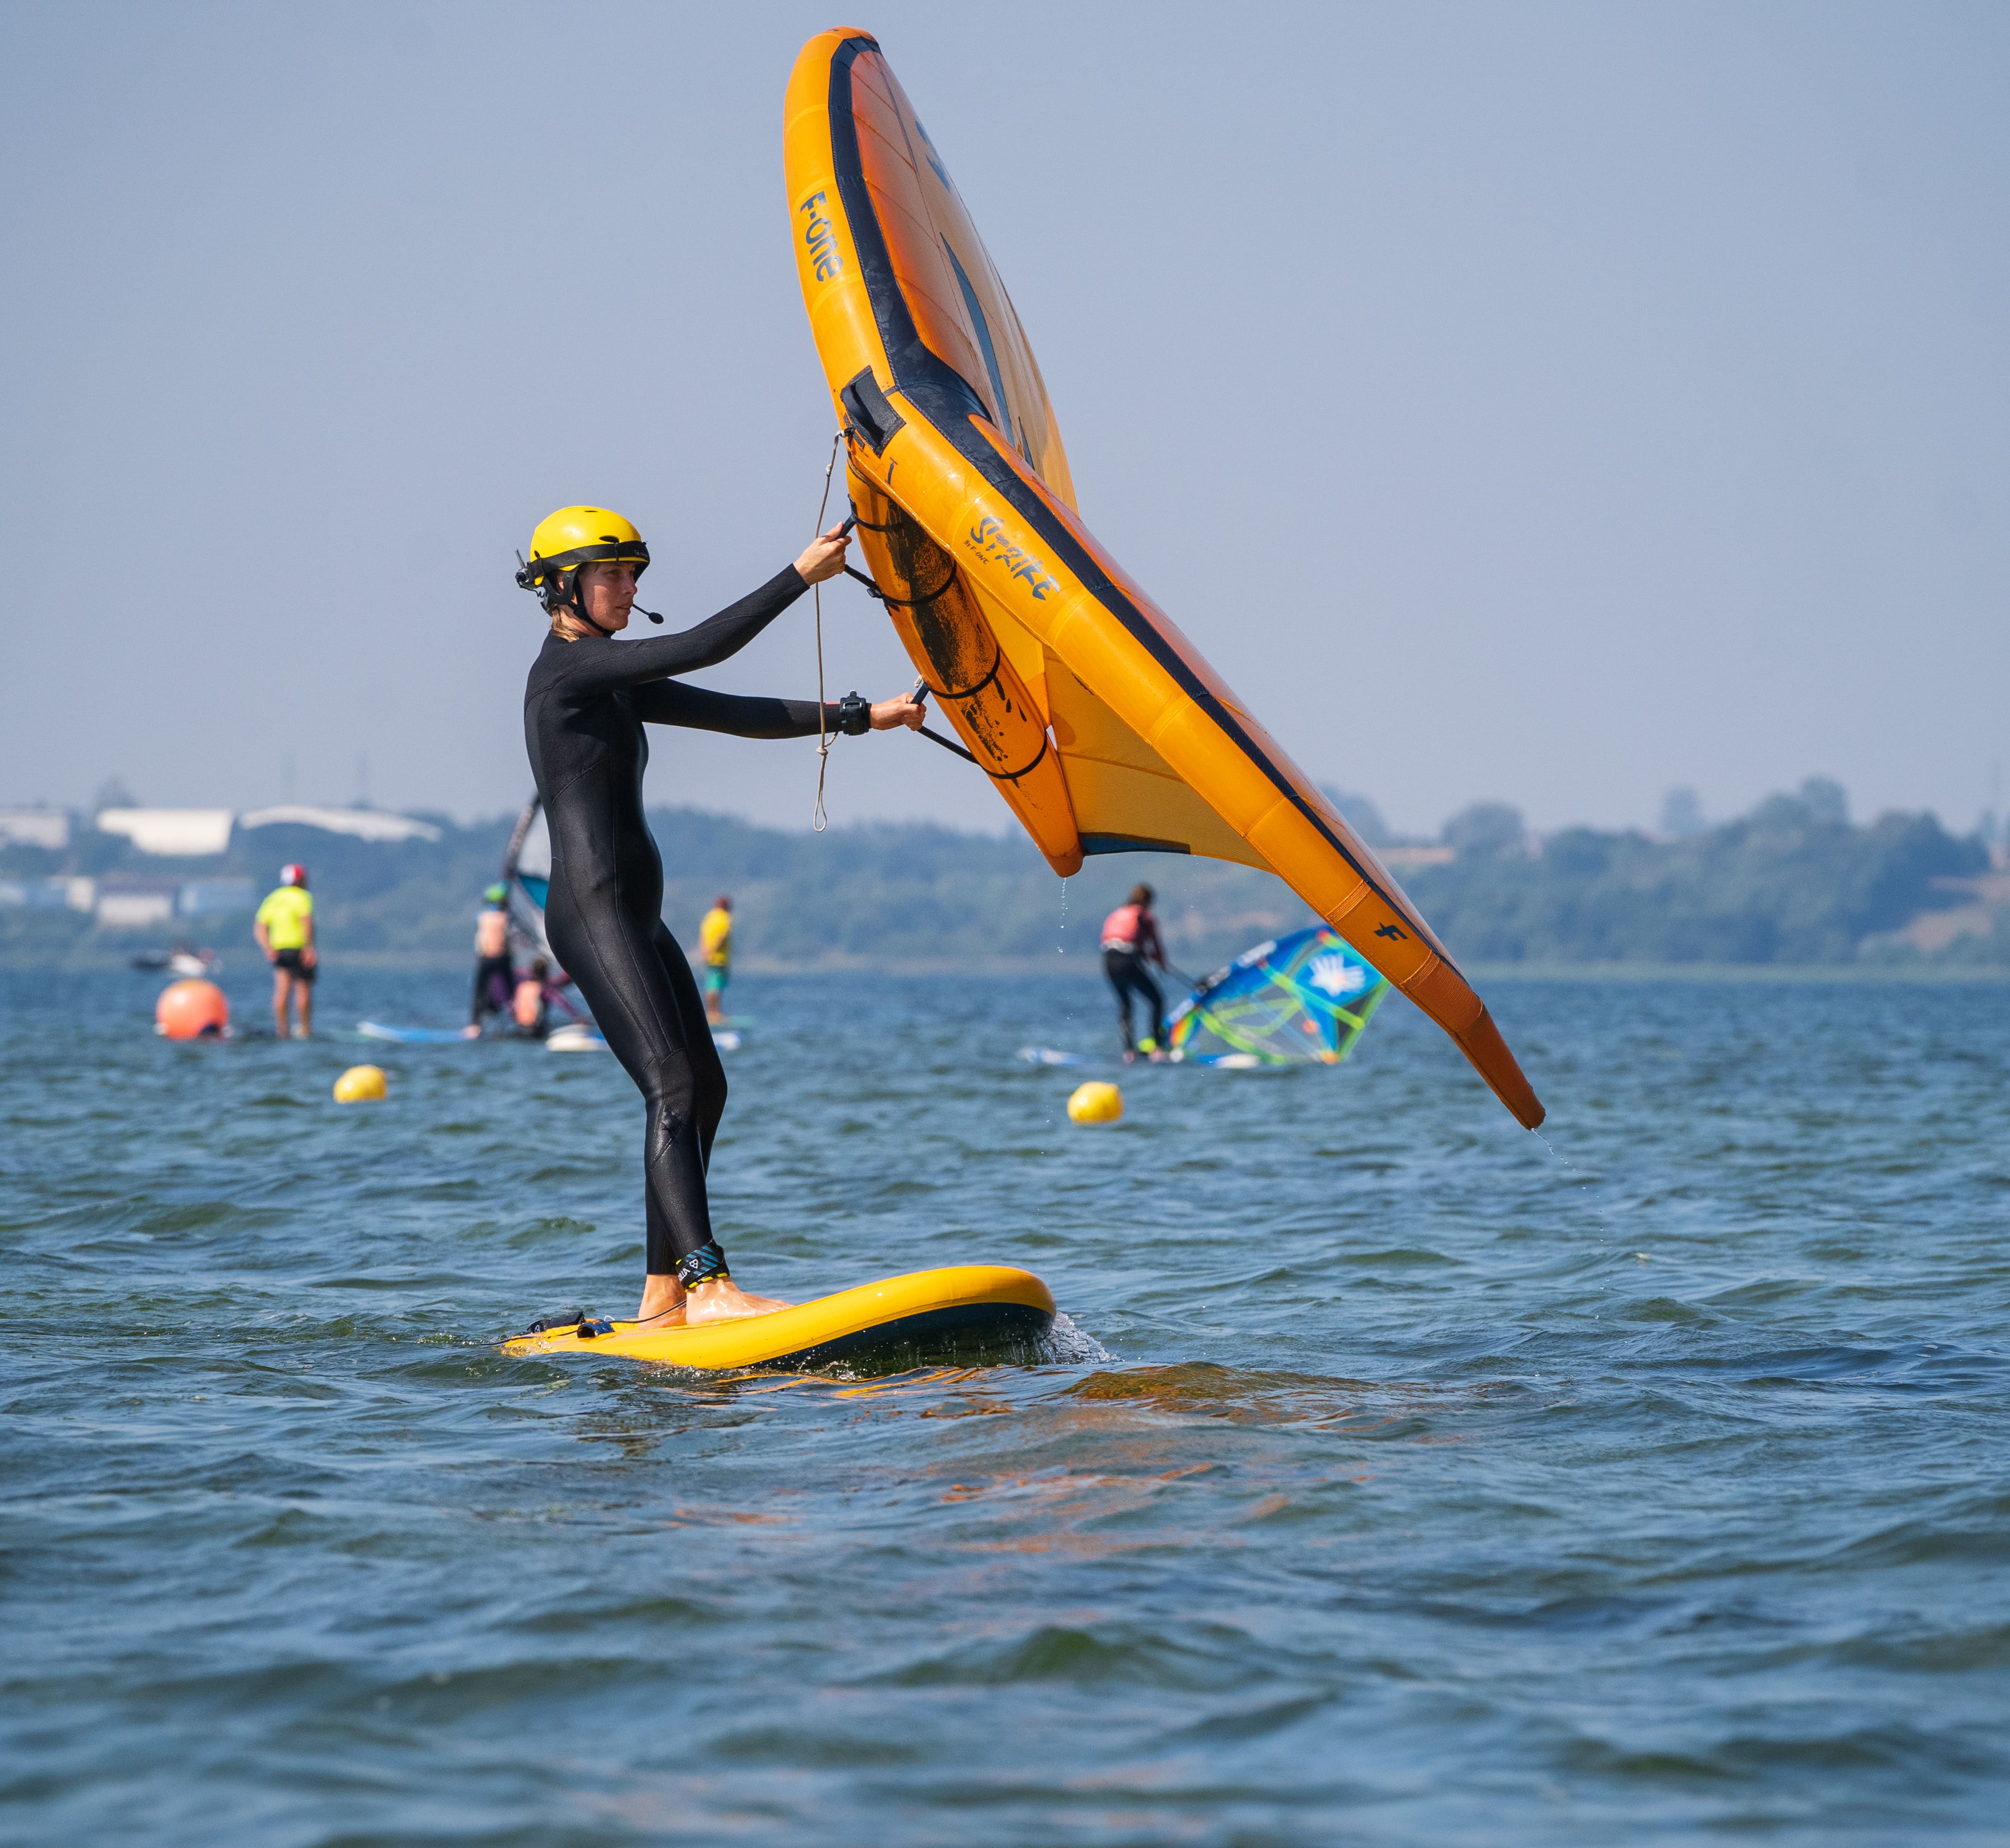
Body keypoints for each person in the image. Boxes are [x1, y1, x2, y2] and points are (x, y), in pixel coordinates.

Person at [519, 504, 923, 1328]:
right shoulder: (566, 675)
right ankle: (708, 1285)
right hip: (595, 913)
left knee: (704, 1083)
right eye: (611, 574)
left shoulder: (608, 676)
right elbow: (703, 644)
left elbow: (729, 711)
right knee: (669, 1083)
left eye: (634, 574)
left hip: (634, 912)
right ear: (563, 587)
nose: (628, 588)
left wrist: (857, 717)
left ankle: (661, 1294)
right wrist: (795, 577)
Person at [1101, 882, 1169, 1062]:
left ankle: (1129, 1053)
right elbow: (1155, 946)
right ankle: (1158, 1049)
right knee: (1157, 1000)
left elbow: (1117, 938)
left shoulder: (1118, 913)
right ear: (1148, 901)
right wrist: (1162, 964)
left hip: (1108, 960)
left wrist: (1144, 955)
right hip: (1128, 960)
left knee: (1126, 1004)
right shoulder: (1144, 916)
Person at [253, 863, 316, 1039]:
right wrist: (309, 948)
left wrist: (268, 947)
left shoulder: (273, 899)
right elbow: (306, 922)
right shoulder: (302, 896)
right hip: (299, 948)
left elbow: (259, 927)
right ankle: (305, 1030)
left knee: (282, 990)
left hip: (280, 950)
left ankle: (283, 1031)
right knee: (303, 989)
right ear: (300, 880)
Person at [471, 883, 514, 1028]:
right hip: (503, 959)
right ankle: (517, 1018)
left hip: (486, 959)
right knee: (510, 988)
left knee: (480, 991)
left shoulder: (482, 917)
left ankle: (475, 1025)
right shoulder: (506, 917)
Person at [699, 894, 733, 1026]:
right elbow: (722, 936)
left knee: (710, 985)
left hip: (708, 957)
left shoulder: (709, 918)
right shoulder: (724, 918)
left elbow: (703, 936)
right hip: (719, 959)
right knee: (716, 986)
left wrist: (705, 952)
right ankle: (715, 1013)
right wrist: (713, 950)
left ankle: (711, 1012)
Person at [512, 955, 553, 1038]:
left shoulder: (522, 987)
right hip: (535, 1029)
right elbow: (539, 1008)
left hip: (520, 1028)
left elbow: (515, 1008)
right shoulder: (542, 989)